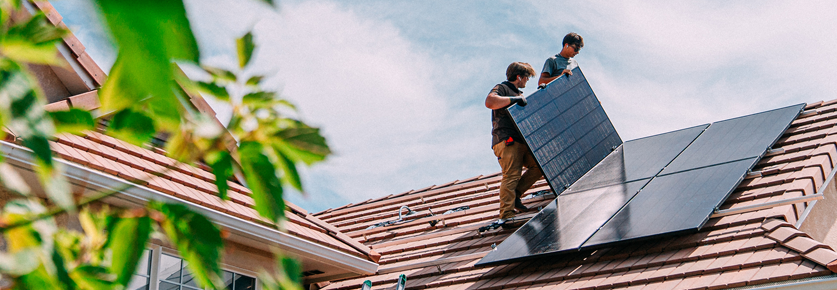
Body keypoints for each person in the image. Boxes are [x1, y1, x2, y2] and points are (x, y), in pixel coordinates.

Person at [485, 62, 543, 223]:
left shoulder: (518, 94)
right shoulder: (502, 89)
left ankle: (515, 195)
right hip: (506, 140)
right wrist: (515, 99)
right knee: (511, 175)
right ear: (519, 77)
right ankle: (507, 214)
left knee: (539, 166)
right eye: (526, 78)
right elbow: (490, 102)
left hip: (521, 141)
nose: (527, 81)